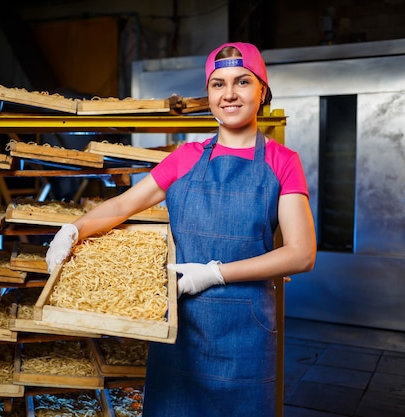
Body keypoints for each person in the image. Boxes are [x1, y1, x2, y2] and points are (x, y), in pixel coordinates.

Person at [46, 41, 316, 417]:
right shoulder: (185, 158)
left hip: (245, 332)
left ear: (263, 91)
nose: (230, 94)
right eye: (218, 84)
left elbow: (301, 253)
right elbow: (123, 205)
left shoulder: (283, 162)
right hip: (179, 326)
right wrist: (72, 231)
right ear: (208, 95)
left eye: (242, 82)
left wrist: (214, 274)